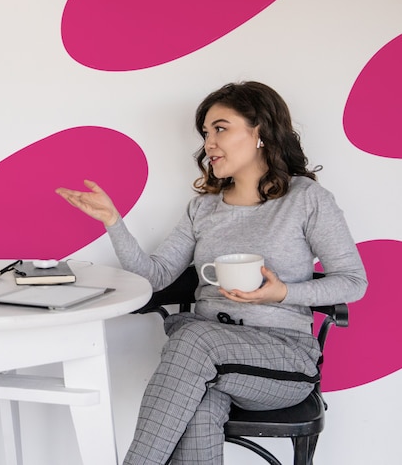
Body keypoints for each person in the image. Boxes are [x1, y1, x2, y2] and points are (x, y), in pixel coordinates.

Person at [56, 81, 367, 464]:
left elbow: (354, 282)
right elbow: (154, 277)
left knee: (194, 339)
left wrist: (282, 293)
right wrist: (113, 222)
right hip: (206, 363)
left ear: (260, 133)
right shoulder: (203, 209)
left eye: (221, 128)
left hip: (281, 359)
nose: (209, 143)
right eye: (205, 133)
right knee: (200, 405)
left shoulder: (305, 199)